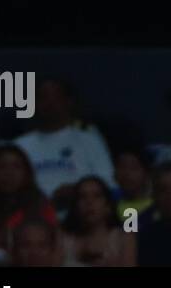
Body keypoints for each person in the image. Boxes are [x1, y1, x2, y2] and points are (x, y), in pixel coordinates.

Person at [12, 77, 115, 211]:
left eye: (56, 97)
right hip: (32, 220)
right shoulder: (19, 146)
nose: (50, 103)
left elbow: (108, 183)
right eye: (43, 97)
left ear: (69, 102)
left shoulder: (89, 141)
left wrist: (77, 191)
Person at [60, 175, 135, 266]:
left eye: (97, 196)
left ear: (108, 206)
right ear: (75, 205)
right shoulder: (63, 240)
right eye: (82, 197)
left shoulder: (123, 239)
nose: (89, 202)